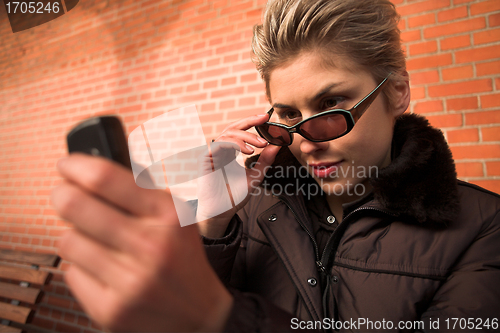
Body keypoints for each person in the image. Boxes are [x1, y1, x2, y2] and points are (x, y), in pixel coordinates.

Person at [51, 0, 500, 332]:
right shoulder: (250, 206)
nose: (306, 141)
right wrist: (214, 221)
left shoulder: (484, 228)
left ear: (397, 92)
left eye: (331, 103)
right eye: (287, 115)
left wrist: (218, 319)